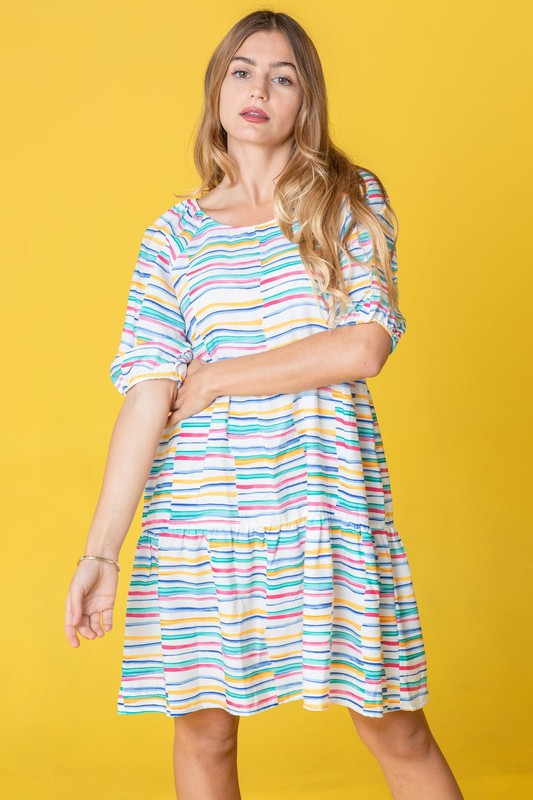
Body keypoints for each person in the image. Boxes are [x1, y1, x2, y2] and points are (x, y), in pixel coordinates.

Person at [64, 9, 464, 800]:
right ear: (217, 90)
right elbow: (149, 391)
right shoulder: (172, 237)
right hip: (201, 518)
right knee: (204, 732)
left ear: (304, 102)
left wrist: (214, 378)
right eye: (242, 71)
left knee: (396, 726)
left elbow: (362, 347)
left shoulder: (348, 199)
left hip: (326, 505)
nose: (259, 89)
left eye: (283, 77)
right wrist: (101, 550)